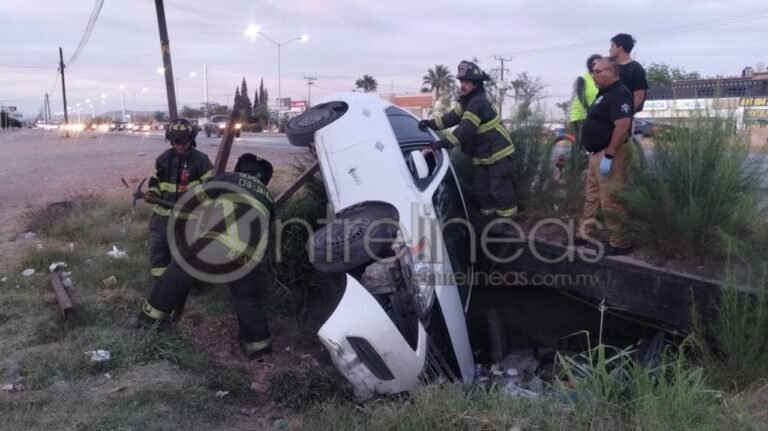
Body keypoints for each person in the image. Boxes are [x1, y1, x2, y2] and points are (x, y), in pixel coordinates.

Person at [130, 153, 276, 358]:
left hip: (218, 242)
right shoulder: (269, 198)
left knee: (177, 273)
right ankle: (259, 349)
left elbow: (197, 197)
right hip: (250, 257)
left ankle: (148, 320)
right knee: (247, 300)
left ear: (241, 169)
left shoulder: (230, 178)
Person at [418, 60, 518, 235]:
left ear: (476, 84)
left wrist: (442, 144)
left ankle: (507, 223)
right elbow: (451, 118)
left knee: (498, 189)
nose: (462, 85)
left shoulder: (477, 103)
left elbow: (465, 129)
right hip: (483, 155)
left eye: (466, 82)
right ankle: (490, 218)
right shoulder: (466, 102)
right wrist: (430, 123)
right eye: (461, 81)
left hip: (499, 154)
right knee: (481, 190)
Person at [568, 57, 634, 256]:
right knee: (592, 196)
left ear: (612, 71)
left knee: (611, 199)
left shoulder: (619, 93)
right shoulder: (604, 94)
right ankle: (585, 233)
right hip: (596, 153)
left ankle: (620, 243)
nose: (594, 75)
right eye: (593, 72)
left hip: (610, 153)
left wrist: (610, 155)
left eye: (598, 71)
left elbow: (622, 125)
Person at [146, 118, 213, 280]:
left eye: (183, 142)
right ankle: (161, 283)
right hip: (163, 215)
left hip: (189, 217)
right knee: (159, 249)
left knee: (188, 253)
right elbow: (155, 182)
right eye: (176, 142)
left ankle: (191, 284)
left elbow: (211, 188)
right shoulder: (163, 159)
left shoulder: (201, 160)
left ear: (191, 140)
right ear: (171, 140)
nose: (180, 145)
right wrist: (153, 193)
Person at [609, 33, 649, 116]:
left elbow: (639, 96)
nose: (609, 50)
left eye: (612, 46)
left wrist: (626, 114)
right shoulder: (612, 68)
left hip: (623, 116)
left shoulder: (635, 68)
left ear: (620, 48)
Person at [568, 54, 602, 149]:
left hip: (594, 114)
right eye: (594, 64)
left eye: (599, 63)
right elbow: (580, 95)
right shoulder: (583, 78)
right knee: (580, 142)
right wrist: (588, 108)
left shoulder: (601, 78)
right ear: (590, 65)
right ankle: (576, 158)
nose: (596, 65)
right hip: (580, 114)